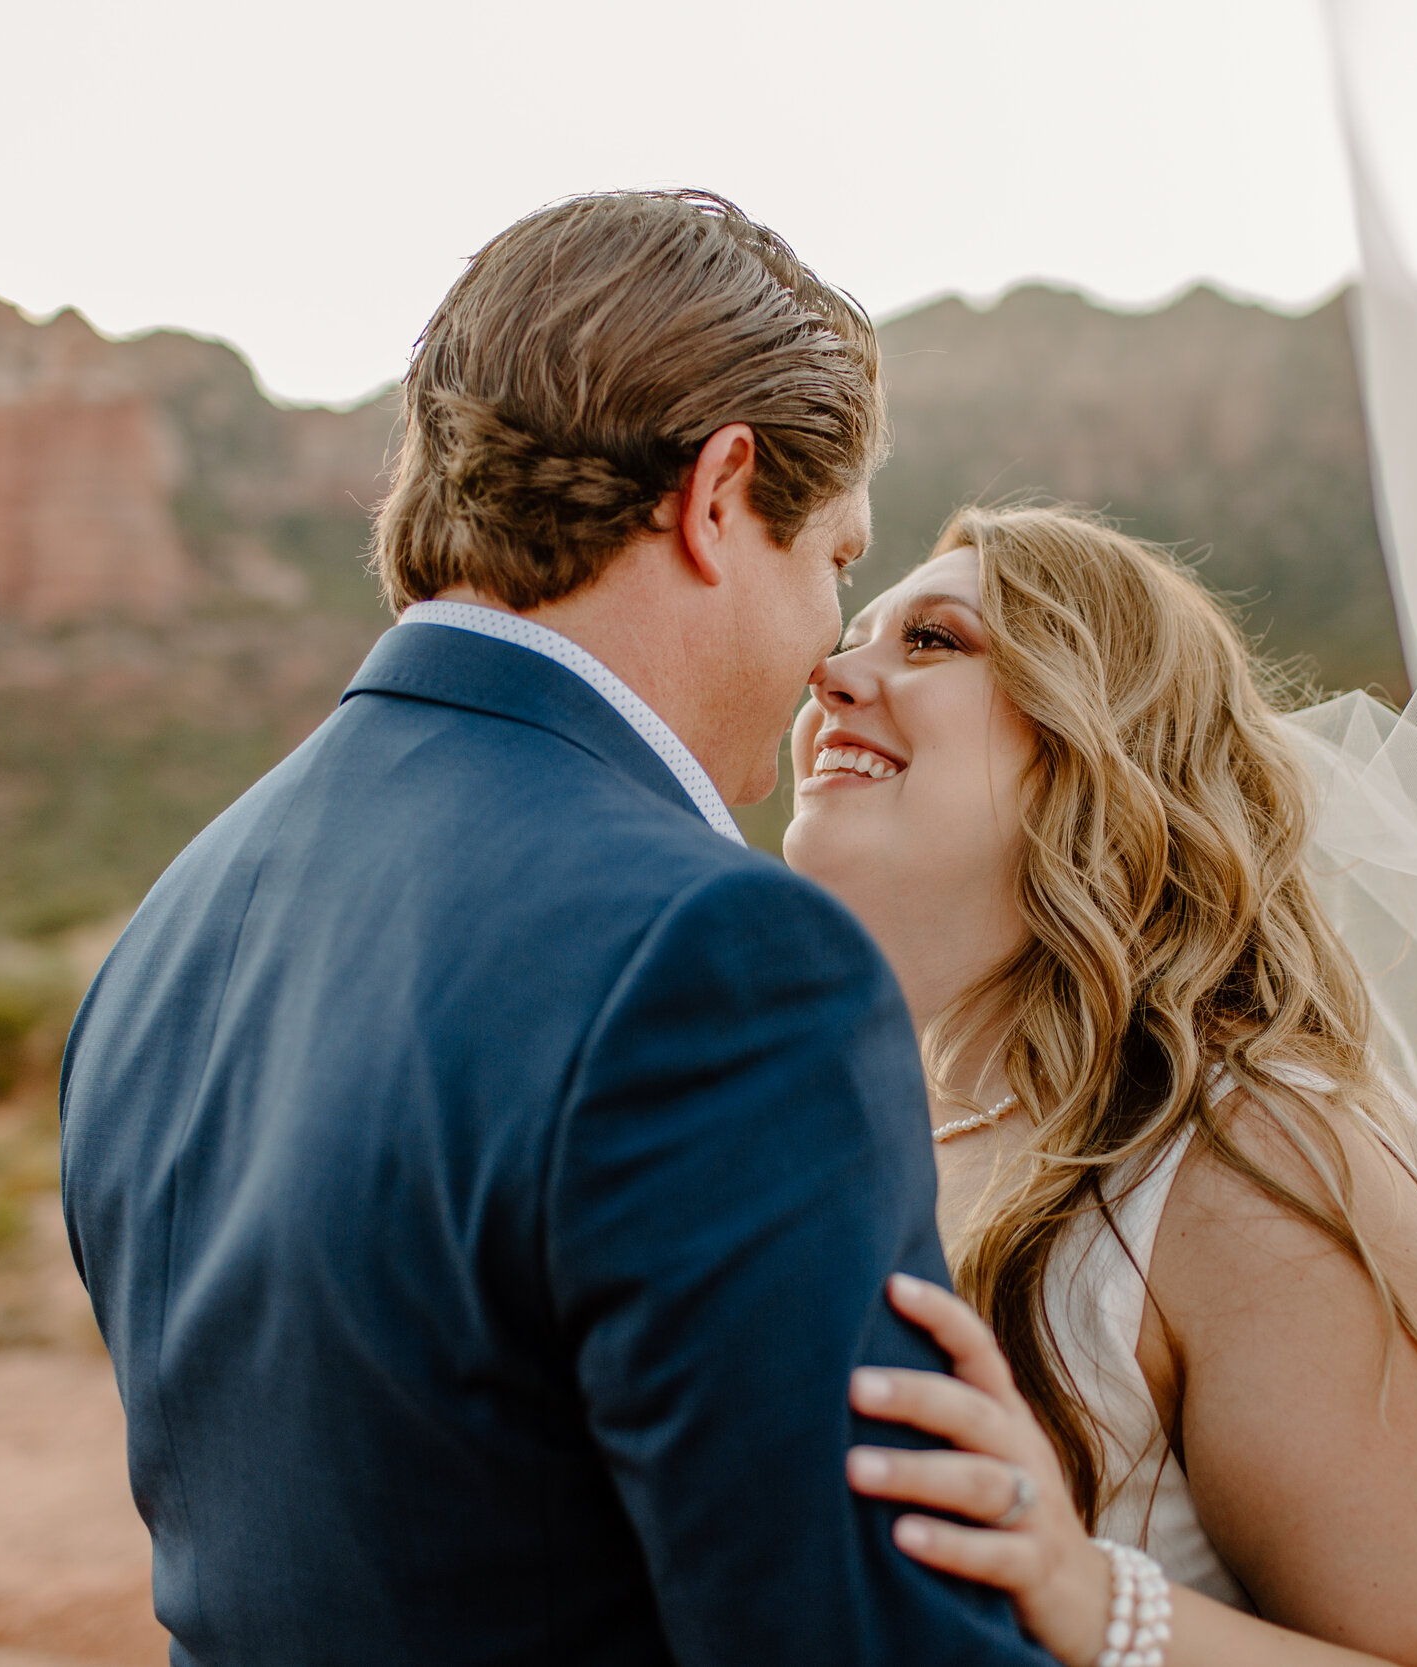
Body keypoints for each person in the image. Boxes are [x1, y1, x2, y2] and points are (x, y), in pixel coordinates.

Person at [58, 192, 1052, 1667]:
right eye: (834, 562)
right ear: (720, 495)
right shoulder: (721, 957)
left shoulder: (170, 930)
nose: (824, 651)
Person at [785, 506, 1417, 1666]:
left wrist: (1088, 1593)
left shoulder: (1242, 1163)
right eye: (857, 635)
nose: (830, 673)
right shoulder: (834, 1122)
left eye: (932, 640)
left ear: (1093, 736)